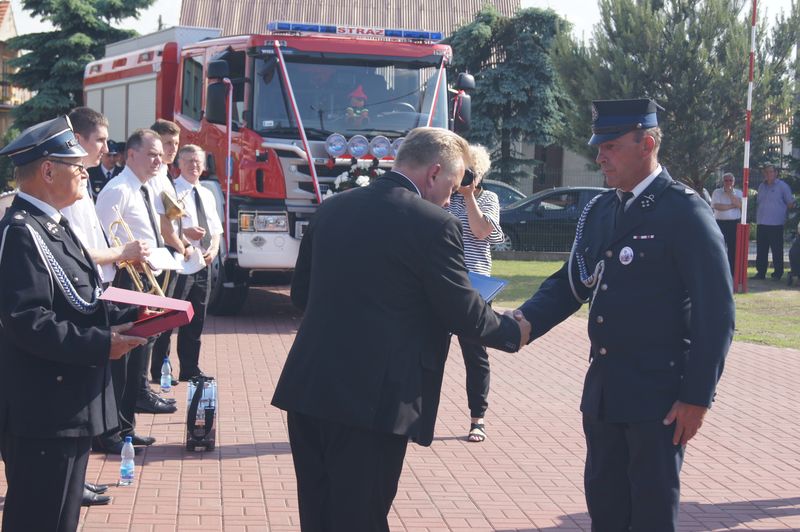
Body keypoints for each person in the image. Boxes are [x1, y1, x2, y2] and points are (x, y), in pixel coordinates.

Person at [271, 127, 531, 531]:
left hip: (309, 389)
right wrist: (513, 332)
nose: (452, 196)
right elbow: (462, 312)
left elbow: (301, 296)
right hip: (373, 400)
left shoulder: (332, 208)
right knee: (361, 518)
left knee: (319, 517)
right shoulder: (434, 224)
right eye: (452, 184)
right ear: (434, 173)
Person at [516, 99, 734, 532]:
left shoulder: (685, 211)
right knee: (606, 510)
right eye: (599, 147)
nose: (600, 157)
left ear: (647, 144)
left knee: (650, 515)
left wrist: (696, 398)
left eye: (610, 146)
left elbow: (717, 312)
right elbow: (571, 281)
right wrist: (521, 323)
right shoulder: (603, 209)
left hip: (659, 401)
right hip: (603, 395)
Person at [0, 116, 145, 531]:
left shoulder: (53, 228)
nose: (85, 172)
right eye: (76, 165)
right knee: (38, 519)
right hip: (44, 411)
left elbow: (80, 301)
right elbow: (27, 320)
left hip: (68, 406)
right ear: (48, 171)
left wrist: (138, 315)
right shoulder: (22, 232)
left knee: (61, 519)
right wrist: (101, 344)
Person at [95, 128, 176, 454]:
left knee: (138, 357)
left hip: (145, 278)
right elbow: (103, 240)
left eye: (160, 154)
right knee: (122, 363)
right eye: (152, 154)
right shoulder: (118, 190)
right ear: (131, 155)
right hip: (124, 282)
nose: (158, 160)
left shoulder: (143, 188)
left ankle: (126, 429)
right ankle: (110, 433)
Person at [446, 144, 504, 443]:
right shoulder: (445, 198)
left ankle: (477, 419)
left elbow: (483, 232)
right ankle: (418, 417)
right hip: (443, 282)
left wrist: (469, 196)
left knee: (475, 354)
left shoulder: (488, 198)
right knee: (428, 351)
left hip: (476, 288)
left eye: (471, 172)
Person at [156, 144, 222, 381]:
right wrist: (187, 233)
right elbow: (167, 227)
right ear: (178, 165)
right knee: (169, 318)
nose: (194, 166)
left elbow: (216, 229)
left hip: (202, 264)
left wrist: (214, 249)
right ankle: (161, 368)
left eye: (198, 162)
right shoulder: (172, 190)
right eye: (189, 161)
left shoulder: (207, 193)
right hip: (181, 264)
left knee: (196, 318)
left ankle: (190, 368)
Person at [148, 119, 188, 393]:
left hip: (172, 253)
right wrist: (182, 247)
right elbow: (163, 227)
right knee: (155, 318)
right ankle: (151, 375)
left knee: (167, 319)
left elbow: (173, 220)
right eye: (167, 143)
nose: (172, 148)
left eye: (175, 143)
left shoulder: (165, 176)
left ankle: (161, 367)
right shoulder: (155, 178)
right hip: (162, 255)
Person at [752, 161, 795, 280]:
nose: (768, 174)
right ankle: (760, 273)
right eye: (766, 172)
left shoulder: (782, 186)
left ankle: (777, 273)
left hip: (776, 224)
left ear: (776, 173)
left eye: (771, 171)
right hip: (762, 223)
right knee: (761, 250)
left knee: (777, 250)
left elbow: (790, 203)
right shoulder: (761, 186)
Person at [711, 172, 743, 276]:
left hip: (734, 224)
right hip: (720, 223)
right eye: (726, 180)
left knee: (733, 248)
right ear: (723, 182)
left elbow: (740, 205)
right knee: (719, 247)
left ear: (733, 182)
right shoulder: (717, 192)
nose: (728, 182)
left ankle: (732, 271)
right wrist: (732, 206)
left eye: (730, 180)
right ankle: (719, 270)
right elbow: (717, 206)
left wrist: (730, 194)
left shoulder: (738, 193)